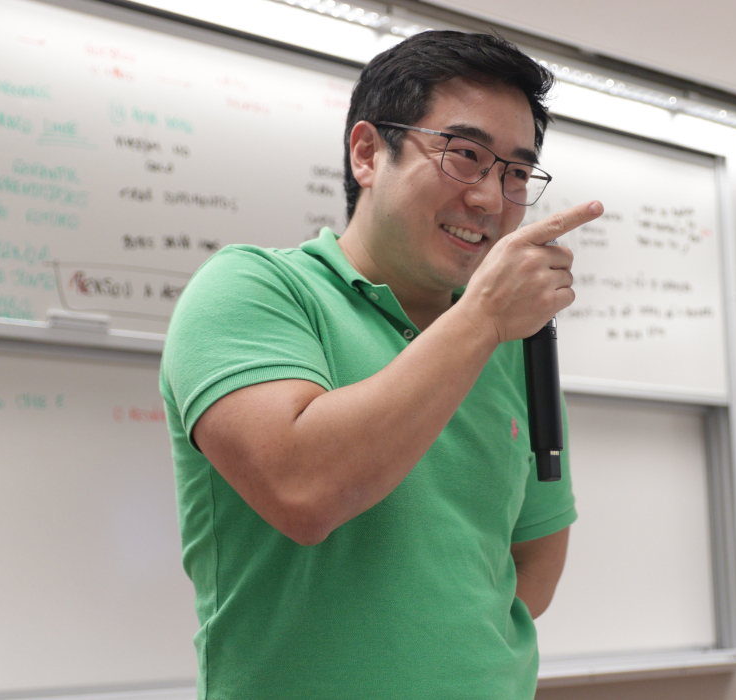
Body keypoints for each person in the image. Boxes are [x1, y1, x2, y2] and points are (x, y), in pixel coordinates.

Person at [160, 29, 602, 700]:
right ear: (368, 153)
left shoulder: (514, 343)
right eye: (464, 155)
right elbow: (303, 491)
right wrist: (479, 318)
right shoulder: (251, 290)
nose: (490, 198)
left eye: (516, 172)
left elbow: (534, 562)